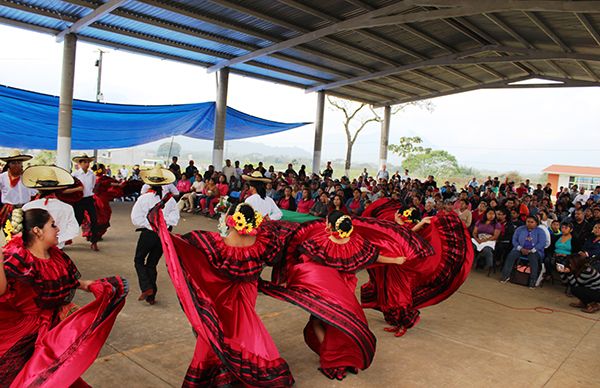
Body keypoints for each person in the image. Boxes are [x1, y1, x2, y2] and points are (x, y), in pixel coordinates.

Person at [148, 202, 294, 386]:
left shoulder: (218, 244)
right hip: (247, 293)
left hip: (222, 296)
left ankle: (223, 370)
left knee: (217, 331)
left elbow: (188, 246)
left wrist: (163, 231)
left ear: (229, 219)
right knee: (244, 331)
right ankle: (243, 367)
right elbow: (275, 250)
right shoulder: (260, 243)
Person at [261, 212, 411, 380]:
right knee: (344, 328)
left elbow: (305, 262)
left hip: (326, 294)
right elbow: (374, 256)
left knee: (319, 323)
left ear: (329, 226)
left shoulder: (320, 243)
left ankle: (332, 360)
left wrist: (290, 278)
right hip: (346, 295)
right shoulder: (356, 243)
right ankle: (344, 359)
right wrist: (396, 260)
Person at [0, 208, 127, 386]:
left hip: (53, 328)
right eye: (53, 225)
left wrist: (92, 285)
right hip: (25, 334)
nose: (58, 229)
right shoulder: (18, 259)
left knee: (58, 377)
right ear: (37, 231)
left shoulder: (55, 255)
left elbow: (68, 281)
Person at [360, 202, 473, 337]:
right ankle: (397, 322)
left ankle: (404, 325)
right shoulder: (399, 227)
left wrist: (417, 225)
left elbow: (404, 237)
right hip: (393, 268)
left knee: (401, 297)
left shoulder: (413, 231)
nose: (401, 217)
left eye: (403, 215)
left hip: (403, 269)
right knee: (392, 295)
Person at [131, 166, 180, 305]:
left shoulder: (143, 199)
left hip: (148, 234)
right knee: (152, 264)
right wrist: (162, 225)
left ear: (149, 183)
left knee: (139, 260)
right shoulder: (169, 200)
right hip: (163, 235)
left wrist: (151, 225)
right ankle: (151, 295)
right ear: (165, 183)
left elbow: (136, 219)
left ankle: (147, 288)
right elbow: (174, 219)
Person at [21, 165, 79, 249]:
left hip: (34, 249)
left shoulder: (28, 206)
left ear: (38, 189)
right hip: (57, 249)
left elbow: (23, 230)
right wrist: (57, 240)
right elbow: (74, 230)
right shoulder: (67, 207)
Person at [501, 216, 547, 288]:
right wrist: (520, 248)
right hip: (520, 249)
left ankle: (532, 281)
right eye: (528, 222)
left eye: (532, 222)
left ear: (536, 223)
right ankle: (505, 276)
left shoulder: (540, 231)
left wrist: (532, 250)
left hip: (535, 251)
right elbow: (514, 240)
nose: (529, 224)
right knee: (511, 255)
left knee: (533, 258)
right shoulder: (520, 229)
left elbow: (542, 243)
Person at [81, 164, 124, 241]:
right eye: (104, 168)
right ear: (101, 169)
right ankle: (96, 235)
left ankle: (90, 234)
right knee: (102, 216)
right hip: (101, 200)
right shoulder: (103, 179)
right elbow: (112, 184)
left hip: (91, 198)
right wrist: (120, 184)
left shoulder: (91, 177)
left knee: (90, 217)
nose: (105, 170)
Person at [69, 153, 101, 251]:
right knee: (77, 220)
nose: (87, 164)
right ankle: (66, 238)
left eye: (88, 162)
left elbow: (93, 186)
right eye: (85, 162)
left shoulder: (92, 174)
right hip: (79, 200)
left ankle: (94, 241)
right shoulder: (75, 175)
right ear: (80, 163)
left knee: (94, 219)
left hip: (89, 199)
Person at [0, 150, 36, 233]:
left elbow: (35, 192)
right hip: (9, 210)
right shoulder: (2, 177)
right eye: (13, 163)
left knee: (26, 235)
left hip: (25, 209)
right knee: (10, 234)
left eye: (19, 163)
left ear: (22, 164)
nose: (17, 165)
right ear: (8, 165)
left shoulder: (27, 177)